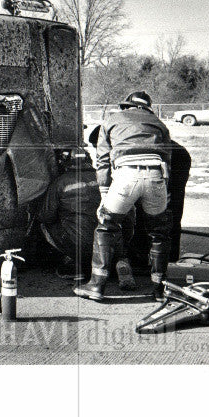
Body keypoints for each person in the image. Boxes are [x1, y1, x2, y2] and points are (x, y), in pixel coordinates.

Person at [75, 91, 172, 302]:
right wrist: (164, 188)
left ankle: (96, 285)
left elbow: (102, 158)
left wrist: (104, 192)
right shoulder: (158, 123)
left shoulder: (112, 119)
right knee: (159, 233)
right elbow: (167, 158)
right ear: (147, 108)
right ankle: (159, 289)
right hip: (156, 173)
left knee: (106, 226)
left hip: (126, 174)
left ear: (126, 106)